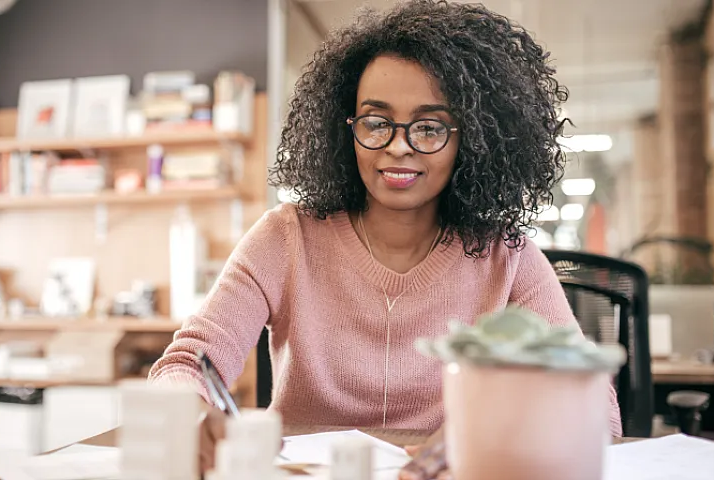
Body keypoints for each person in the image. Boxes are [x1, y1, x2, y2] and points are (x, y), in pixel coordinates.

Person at [149, 1, 622, 478]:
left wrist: (496, 436)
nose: (399, 146)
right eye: (377, 122)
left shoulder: (509, 257)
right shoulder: (284, 236)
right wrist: (189, 412)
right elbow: (190, 360)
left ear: (472, 139)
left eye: (430, 127)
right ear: (346, 127)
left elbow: (596, 408)